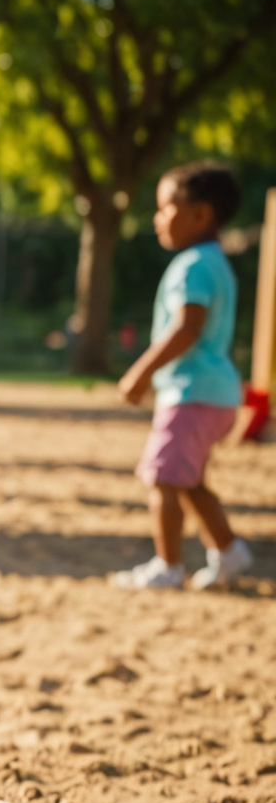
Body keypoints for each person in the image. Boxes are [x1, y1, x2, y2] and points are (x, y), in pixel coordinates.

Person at [112, 162, 253, 590]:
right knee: (189, 482)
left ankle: (168, 566)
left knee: (163, 477)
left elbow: (187, 328)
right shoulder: (215, 263)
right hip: (216, 394)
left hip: (192, 392)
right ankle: (230, 552)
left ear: (200, 214)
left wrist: (140, 372)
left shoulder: (193, 265)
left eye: (167, 208)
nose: (158, 218)